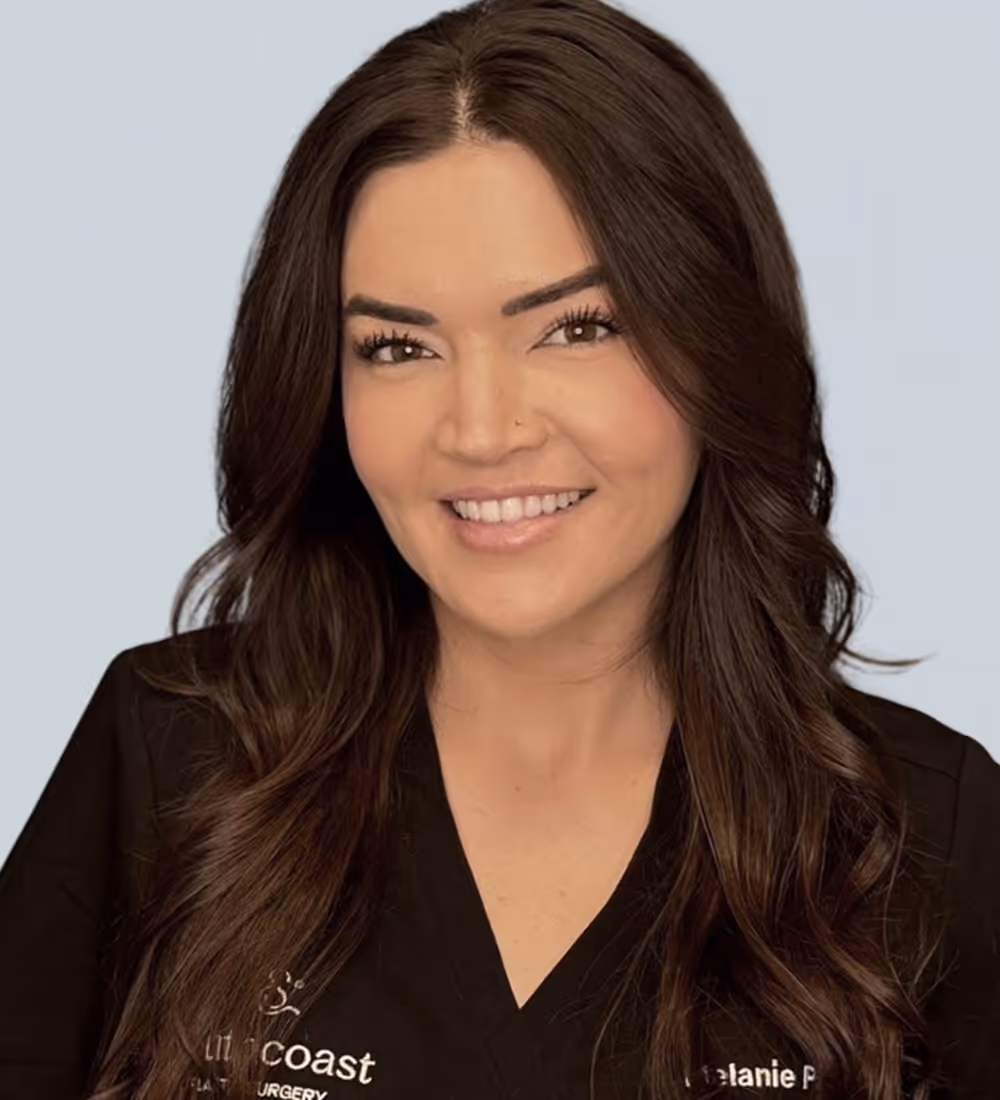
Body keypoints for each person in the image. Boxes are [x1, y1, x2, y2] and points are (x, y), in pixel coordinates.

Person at [1, 0, 997, 1097]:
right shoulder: (172, 758)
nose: (480, 430)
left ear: (716, 342)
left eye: (575, 327)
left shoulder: (921, 835)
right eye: (396, 345)